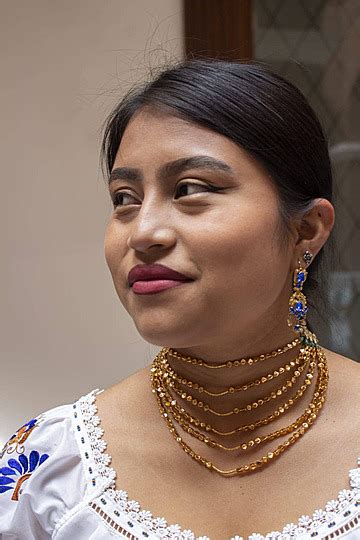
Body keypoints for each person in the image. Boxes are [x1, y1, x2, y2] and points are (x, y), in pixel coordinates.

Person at [0, 59, 359, 540]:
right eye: (124, 198)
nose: (143, 232)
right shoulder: (48, 470)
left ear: (306, 229)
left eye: (191, 189)